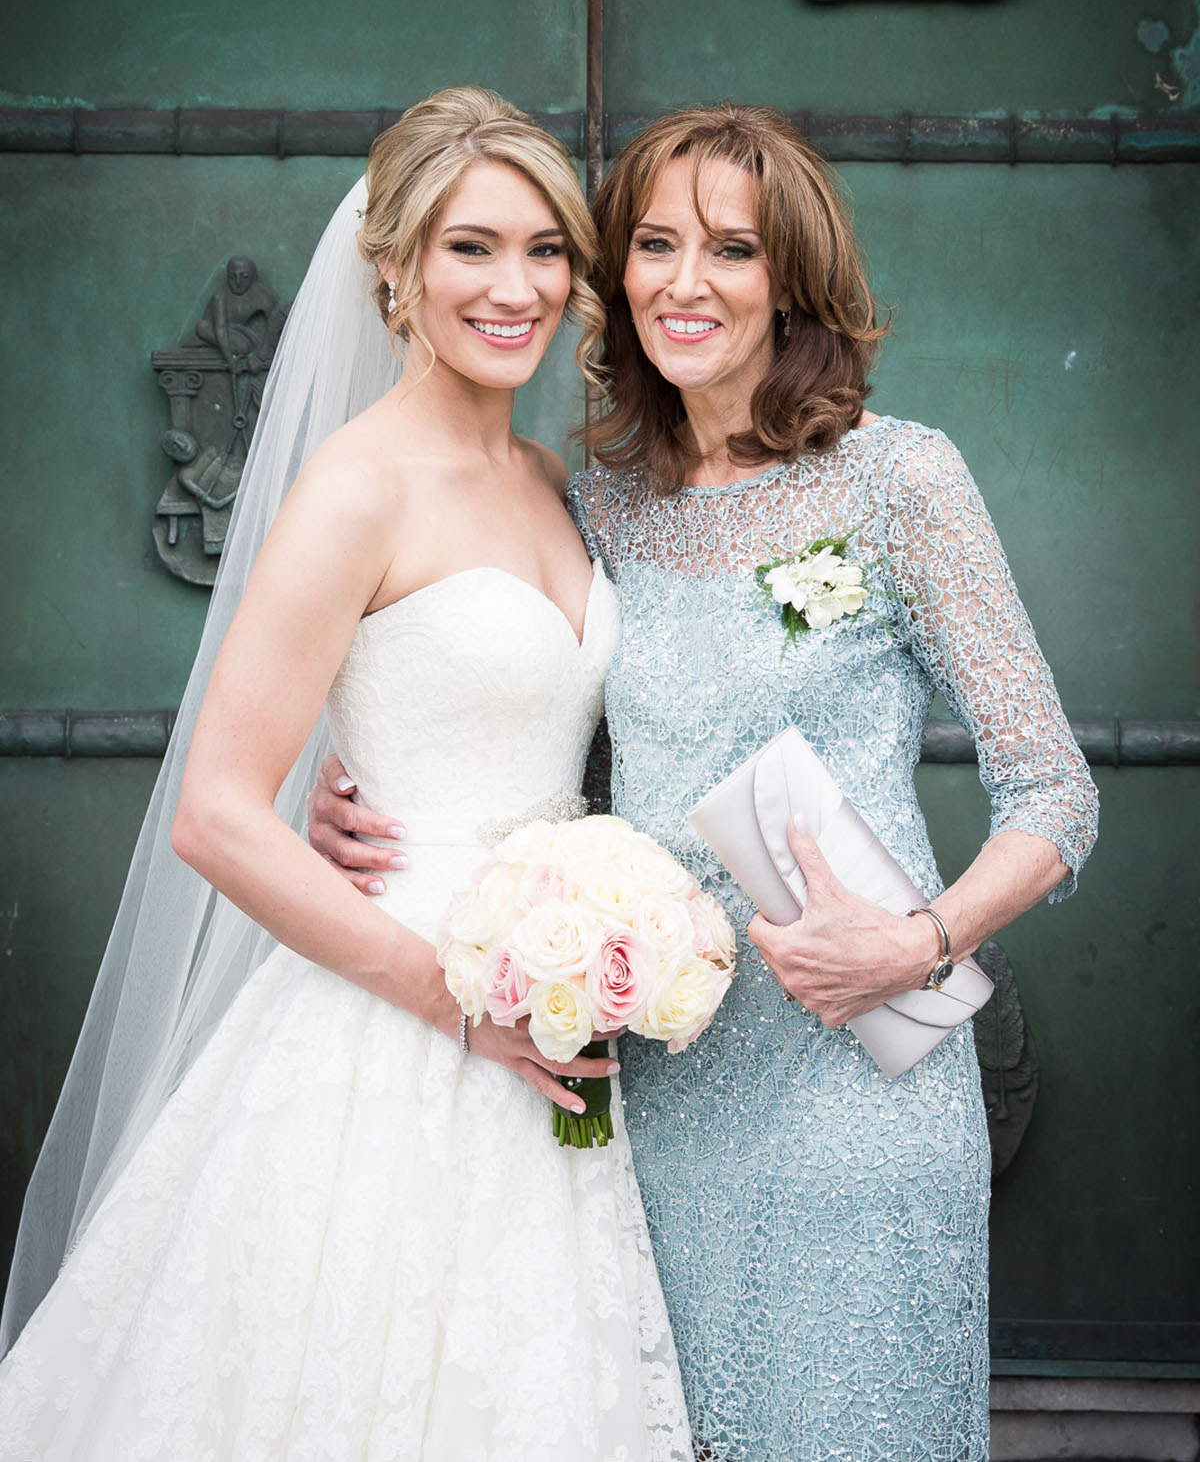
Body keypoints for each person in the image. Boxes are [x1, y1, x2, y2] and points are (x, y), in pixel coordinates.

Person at [312, 103, 1099, 1461]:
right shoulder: (600, 506)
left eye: (731, 251)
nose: (687, 282)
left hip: (865, 1080)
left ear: (790, 279)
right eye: (657, 245)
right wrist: (360, 774)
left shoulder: (900, 481)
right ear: (617, 276)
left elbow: (1057, 793)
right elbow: (534, 726)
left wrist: (917, 941)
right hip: (655, 1089)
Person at [0, 88, 692, 1462]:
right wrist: (456, 1003)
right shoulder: (355, 486)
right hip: (400, 1019)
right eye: (469, 248)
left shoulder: (555, 477)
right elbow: (213, 816)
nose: (518, 287)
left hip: (552, 1007)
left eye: (548, 249)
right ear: (391, 271)